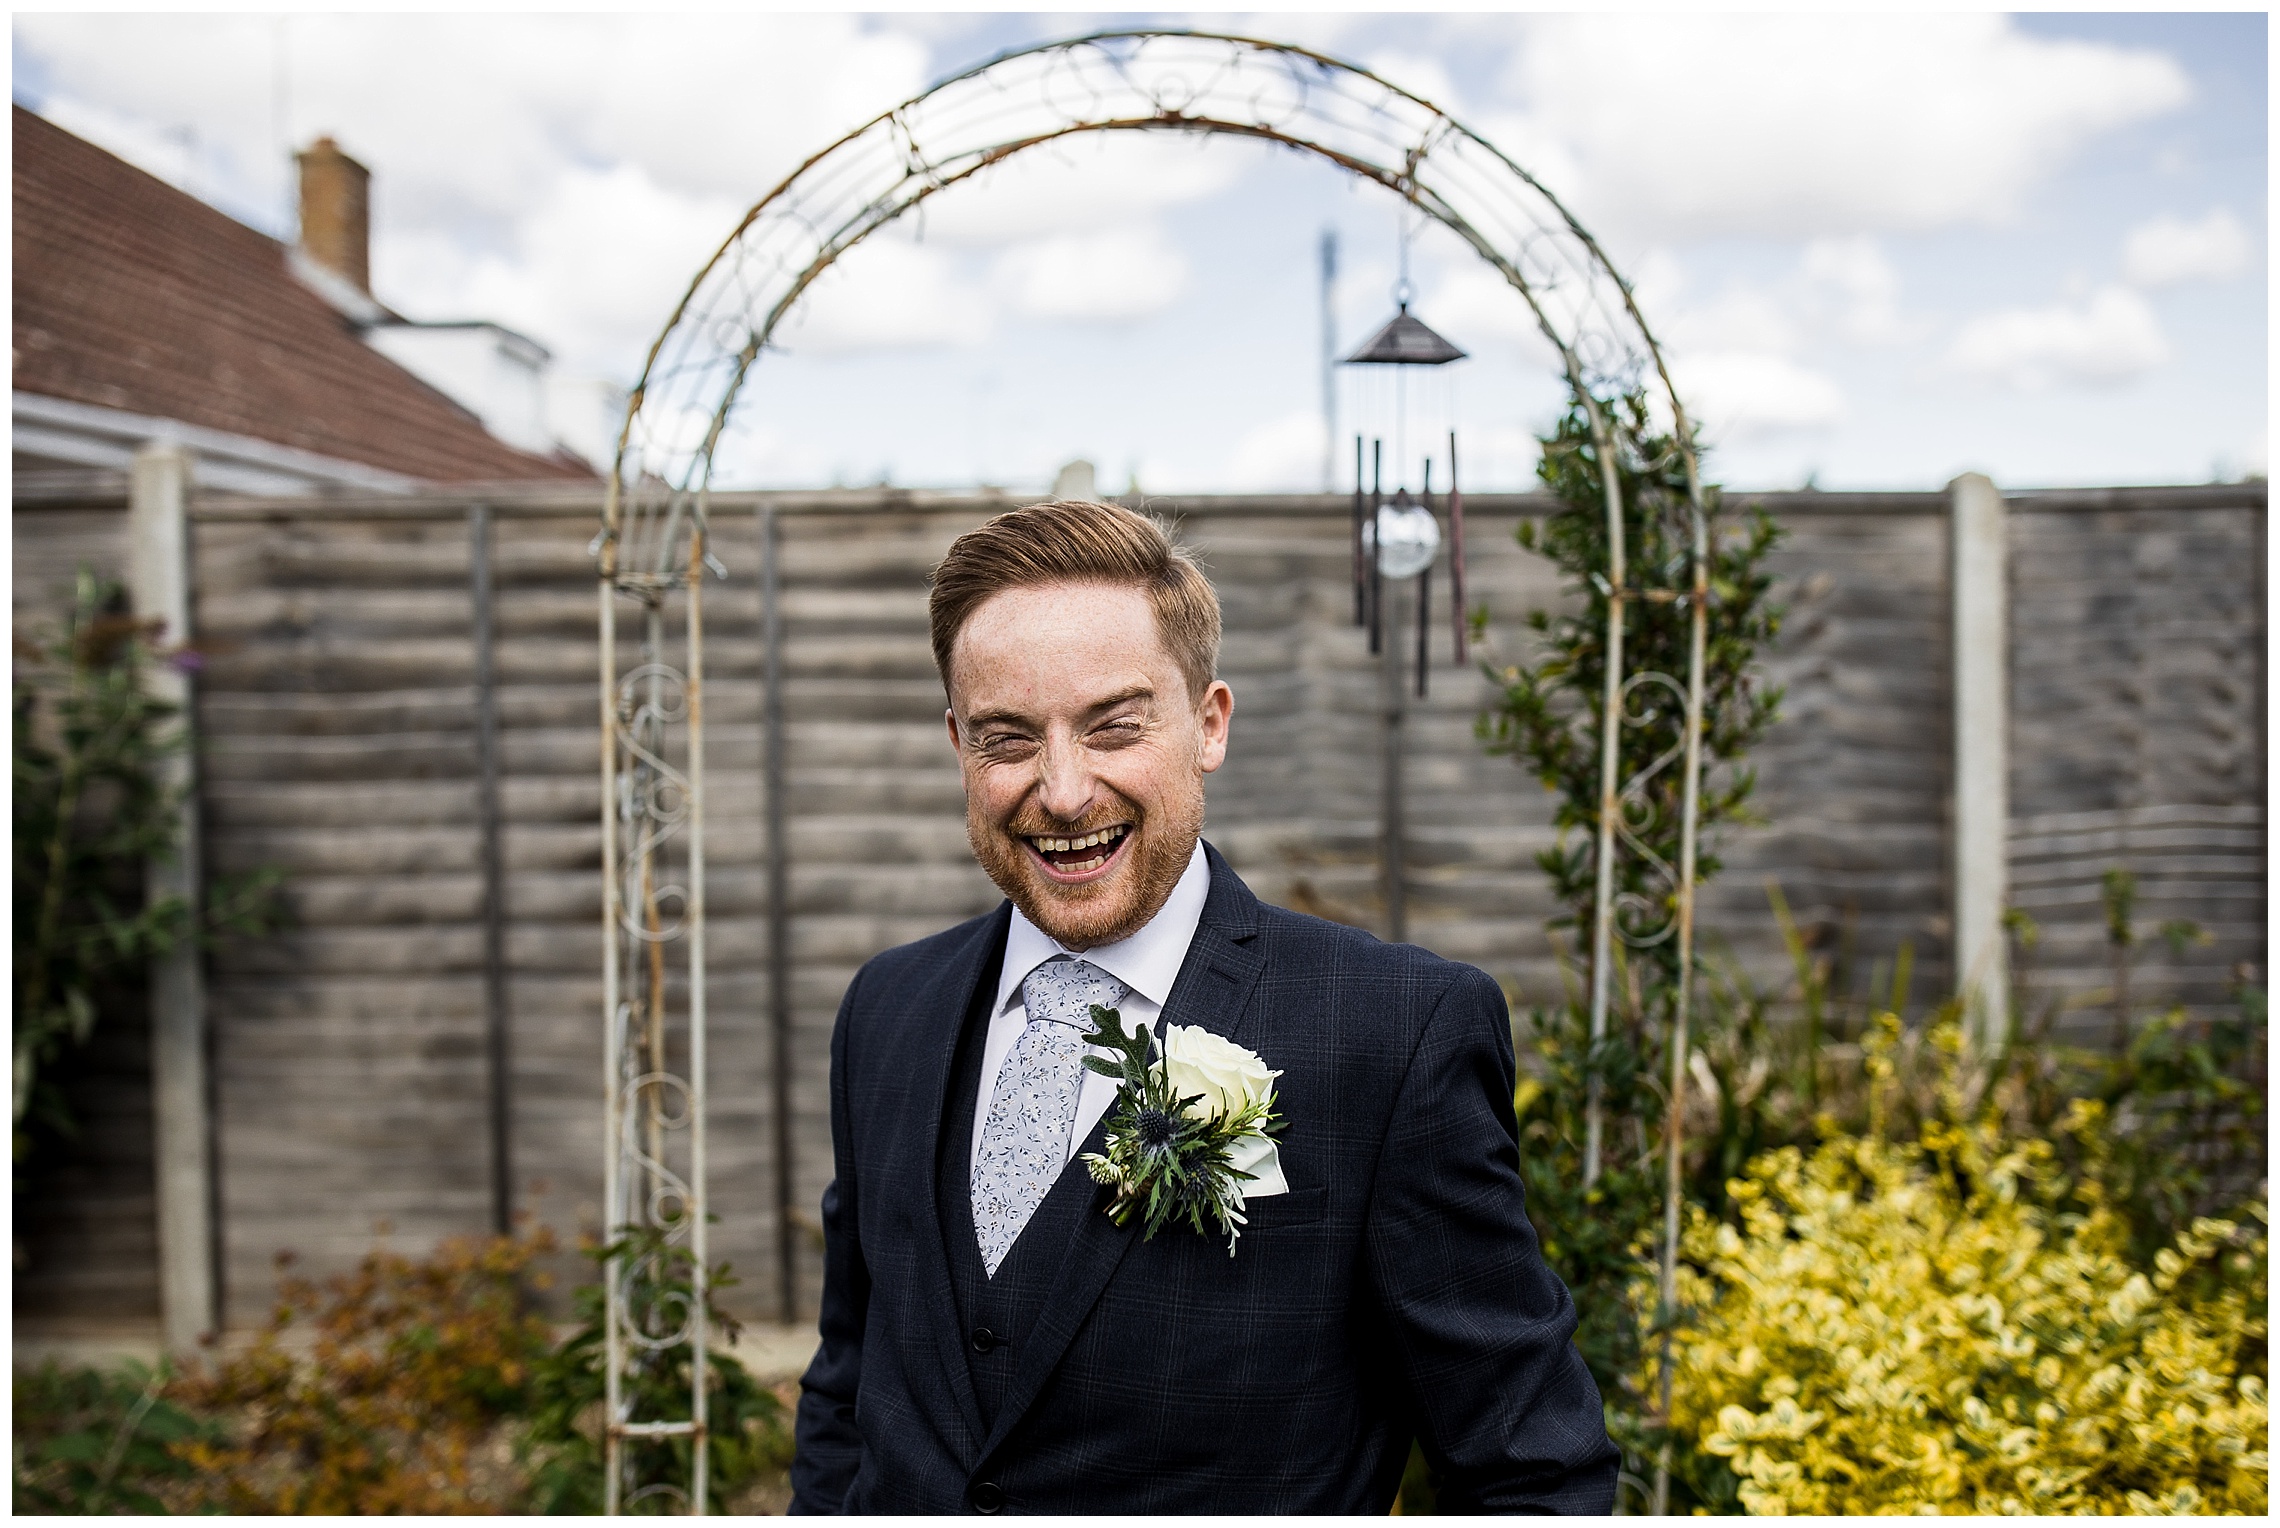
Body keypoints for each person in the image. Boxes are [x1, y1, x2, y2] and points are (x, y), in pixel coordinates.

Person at [790, 499, 1618, 1514]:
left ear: (1209, 724)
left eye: (1114, 726)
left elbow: (1533, 1468)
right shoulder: (888, 1010)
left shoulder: (1397, 1035)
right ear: (959, 744)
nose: (1061, 790)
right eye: (1009, 738)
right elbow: (849, 1383)